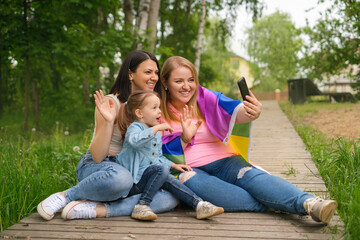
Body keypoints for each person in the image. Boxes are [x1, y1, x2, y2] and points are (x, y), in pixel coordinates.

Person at [159, 56, 338, 225]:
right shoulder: (156, 108)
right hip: (189, 168)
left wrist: (253, 111)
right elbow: (153, 149)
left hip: (225, 161)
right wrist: (184, 138)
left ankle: (310, 204)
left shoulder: (205, 97)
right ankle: (275, 203)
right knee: (192, 182)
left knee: (251, 176)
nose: (187, 86)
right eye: (179, 81)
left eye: (191, 80)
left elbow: (234, 111)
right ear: (165, 83)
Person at [37, 50, 178, 221]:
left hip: (131, 170)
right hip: (100, 168)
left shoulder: (152, 107)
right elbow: (97, 156)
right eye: (148, 72)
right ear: (130, 74)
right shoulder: (112, 102)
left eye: (156, 72)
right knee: (122, 179)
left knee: (170, 197)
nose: (154, 77)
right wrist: (110, 122)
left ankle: (97, 209)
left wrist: (171, 165)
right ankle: (65, 196)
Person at [114, 90, 224, 220]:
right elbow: (135, 141)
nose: (159, 111)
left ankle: (199, 205)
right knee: (161, 170)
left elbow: (158, 158)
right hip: (134, 183)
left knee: (167, 176)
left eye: (159, 107)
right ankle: (142, 205)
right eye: (154, 108)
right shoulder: (135, 128)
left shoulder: (155, 134)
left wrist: (174, 165)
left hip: (150, 179)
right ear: (139, 113)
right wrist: (156, 129)